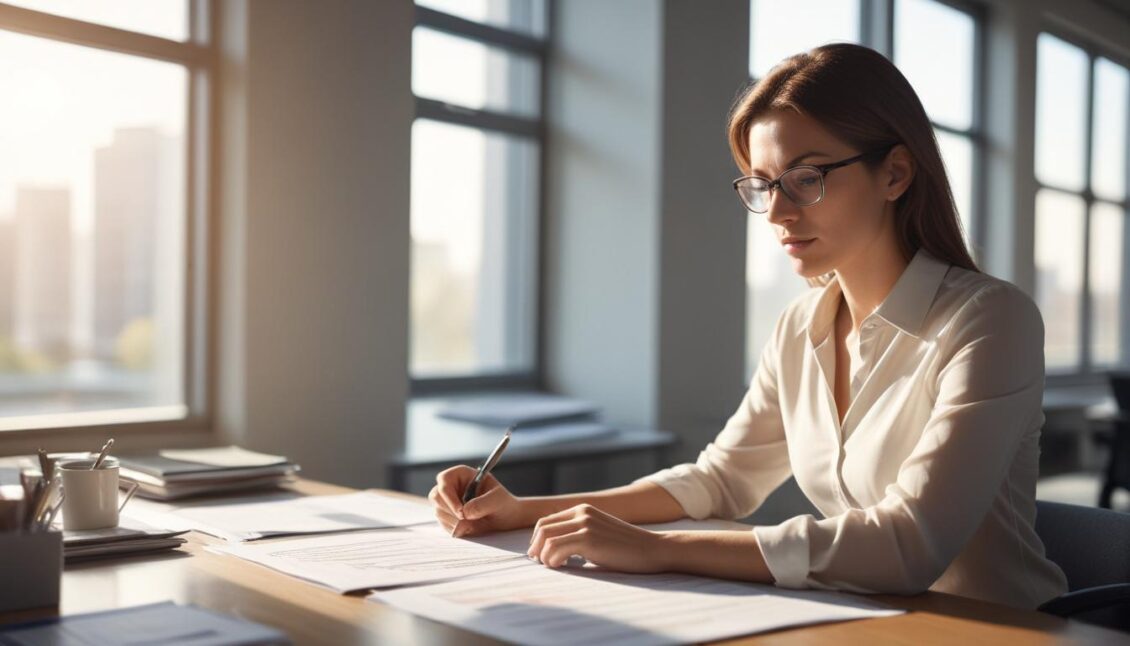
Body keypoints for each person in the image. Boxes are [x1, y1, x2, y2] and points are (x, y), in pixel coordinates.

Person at [428, 43, 1068, 610]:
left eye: (807, 178)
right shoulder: (800, 327)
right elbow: (721, 480)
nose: (778, 213)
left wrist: (659, 550)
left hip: (998, 630)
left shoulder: (989, 322)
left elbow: (906, 546)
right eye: (763, 185)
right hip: (864, 623)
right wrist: (522, 511)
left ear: (895, 173)